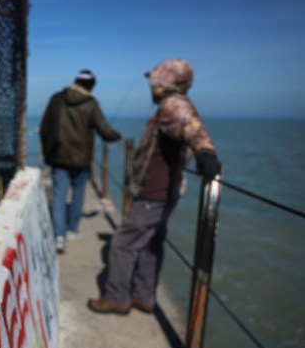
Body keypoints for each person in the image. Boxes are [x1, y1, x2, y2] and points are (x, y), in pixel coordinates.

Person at [87, 59, 222, 314]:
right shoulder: (176, 104)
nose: (150, 85)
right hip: (166, 191)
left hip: (153, 192)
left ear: (164, 82)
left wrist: (206, 153)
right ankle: (144, 295)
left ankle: (116, 296)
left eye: (154, 80)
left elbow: (192, 128)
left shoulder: (173, 105)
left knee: (123, 243)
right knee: (151, 244)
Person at [40, 70, 122, 254]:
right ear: (92, 85)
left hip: (58, 156)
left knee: (59, 196)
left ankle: (58, 236)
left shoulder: (57, 99)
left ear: (75, 81)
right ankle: (73, 229)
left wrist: (47, 153)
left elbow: (45, 128)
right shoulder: (91, 104)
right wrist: (117, 135)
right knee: (78, 194)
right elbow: (104, 131)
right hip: (81, 160)